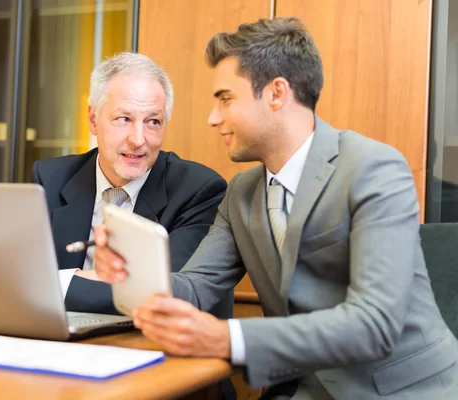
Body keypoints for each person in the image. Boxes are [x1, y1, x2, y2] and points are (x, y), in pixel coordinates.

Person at [93, 18, 458, 399]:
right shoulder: (240, 193)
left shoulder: (374, 169)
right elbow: (196, 288)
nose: (213, 117)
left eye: (225, 98)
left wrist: (227, 336)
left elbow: (374, 324)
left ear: (276, 93)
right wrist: (131, 273)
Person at [32, 52, 232, 320]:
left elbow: (160, 296)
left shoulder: (199, 190)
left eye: (153, 122)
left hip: (146, 344)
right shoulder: (50, 177)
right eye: (124, 119)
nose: (138, 140)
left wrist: (59, 282)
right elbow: (14, 275)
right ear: (93, 120)